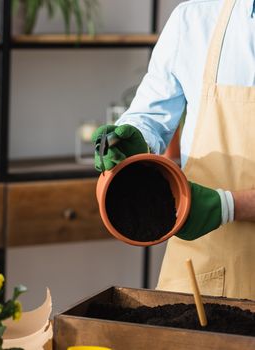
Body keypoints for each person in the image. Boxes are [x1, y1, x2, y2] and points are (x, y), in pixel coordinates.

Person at [93, 0, 255, 299]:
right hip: (206, 266)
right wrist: (134, 137)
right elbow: (151, 114)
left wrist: (228, 206)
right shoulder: (193, 20)